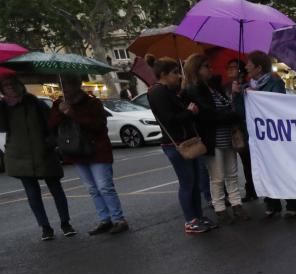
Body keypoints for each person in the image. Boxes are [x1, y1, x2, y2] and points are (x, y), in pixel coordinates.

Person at [48, 74, 129, 235]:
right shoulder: (59, 104)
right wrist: (60, 112)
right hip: (77, 151)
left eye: (68, 84)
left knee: (104, 186)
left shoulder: (92, 103)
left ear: (77, 85)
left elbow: (98, 125)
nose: (65, 89)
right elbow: (51, 125)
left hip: (96, 150)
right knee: (92, 188)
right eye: (61, 85)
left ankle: (118, 218)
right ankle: (104, 218)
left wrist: (72, 113)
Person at [0, 76, 75, 240]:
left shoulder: (34, 102)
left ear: (19, 85)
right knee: (32, 194)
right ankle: (45, 227)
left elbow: (51, 123)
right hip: (19, 155)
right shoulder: (4, 107)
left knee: (56, 189)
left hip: (43, 151)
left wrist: (51, 141)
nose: (9, 88)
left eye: (12, 84)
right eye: (5, 86)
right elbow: (3, 126)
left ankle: (65, 223)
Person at [146, 55, 215, 234]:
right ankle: (190, 220)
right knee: (187, 182)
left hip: (186, 140)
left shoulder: (170, 91)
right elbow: (169, 119)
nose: (178, 76)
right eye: (175, 73)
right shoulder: (157, 92)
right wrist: (189, 112)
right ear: (163, 74)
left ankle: (198, 216)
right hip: (175, 143)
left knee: (195, 182)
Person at [234, 50, 296, 218]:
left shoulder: (274, 82)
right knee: (264, 169)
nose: (246, 67)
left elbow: (278, 104)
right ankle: (272, 203)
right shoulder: (247, 87)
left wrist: (260, 97)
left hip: (275, 135)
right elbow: (241, 112)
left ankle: (291, 203)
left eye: (249, 64)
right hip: (257, 136)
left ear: (259, 67)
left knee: (282, 168)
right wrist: (236, 94)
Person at [184, 53, 248, 224]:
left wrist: (233, 98)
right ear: (197, 69)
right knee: (217, 176)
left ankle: (236, 205)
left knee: (232, 174)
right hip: (212, 139)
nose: (210, 69)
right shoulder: (194, 90)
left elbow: (227, 107)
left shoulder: (215, 87)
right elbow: (208, 116)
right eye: (206, 66)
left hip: (227, 137)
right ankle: (220, 208)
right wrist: (230, 116)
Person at [225, 58, 257, 201]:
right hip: (238, 129)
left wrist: (238, 93)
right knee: (245, 160)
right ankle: (251, 188)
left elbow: (242, 109)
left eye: (233, 67)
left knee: (252, 160)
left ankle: (253, 188)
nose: (230, 69)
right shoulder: (228, 87)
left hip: (248, 127)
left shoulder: (247, 86)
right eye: (229, 67)